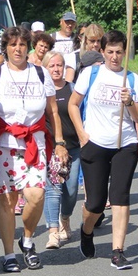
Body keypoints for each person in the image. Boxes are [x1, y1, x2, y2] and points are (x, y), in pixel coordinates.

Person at [0, 26, 65, 273]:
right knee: (8, 201)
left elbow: (53, 111)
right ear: (6, 48)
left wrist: (61, 142)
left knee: (36, 195)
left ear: (28, 47)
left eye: (22, 44)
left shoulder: (41, 73)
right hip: (5, 144)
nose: (17, 49)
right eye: (12, 45)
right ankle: (9, 253)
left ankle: (27, 240)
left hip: (35, 142)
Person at [68, 30, 138, 270]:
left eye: (119, 52)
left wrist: (130, 102)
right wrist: (82, 134)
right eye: (110, 52)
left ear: (125, 53)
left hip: (125, 143)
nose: (115, 57)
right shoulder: (91, 74)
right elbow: (73, 104)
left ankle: (117, 251)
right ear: (102, 51)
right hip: (95, 143)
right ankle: (86, 230)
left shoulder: (131, 79)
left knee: (120, 196)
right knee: (96, 203)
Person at [42, 51, 81, 249]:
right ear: (45, 68)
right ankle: (53, 232)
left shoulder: (73, 89)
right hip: (50, 149)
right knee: (53, 189)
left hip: (74, 148)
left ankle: (65, 218)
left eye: (59, 66)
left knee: (71, 190)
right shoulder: (41, 90)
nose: (56, 69)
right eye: (52, 66)